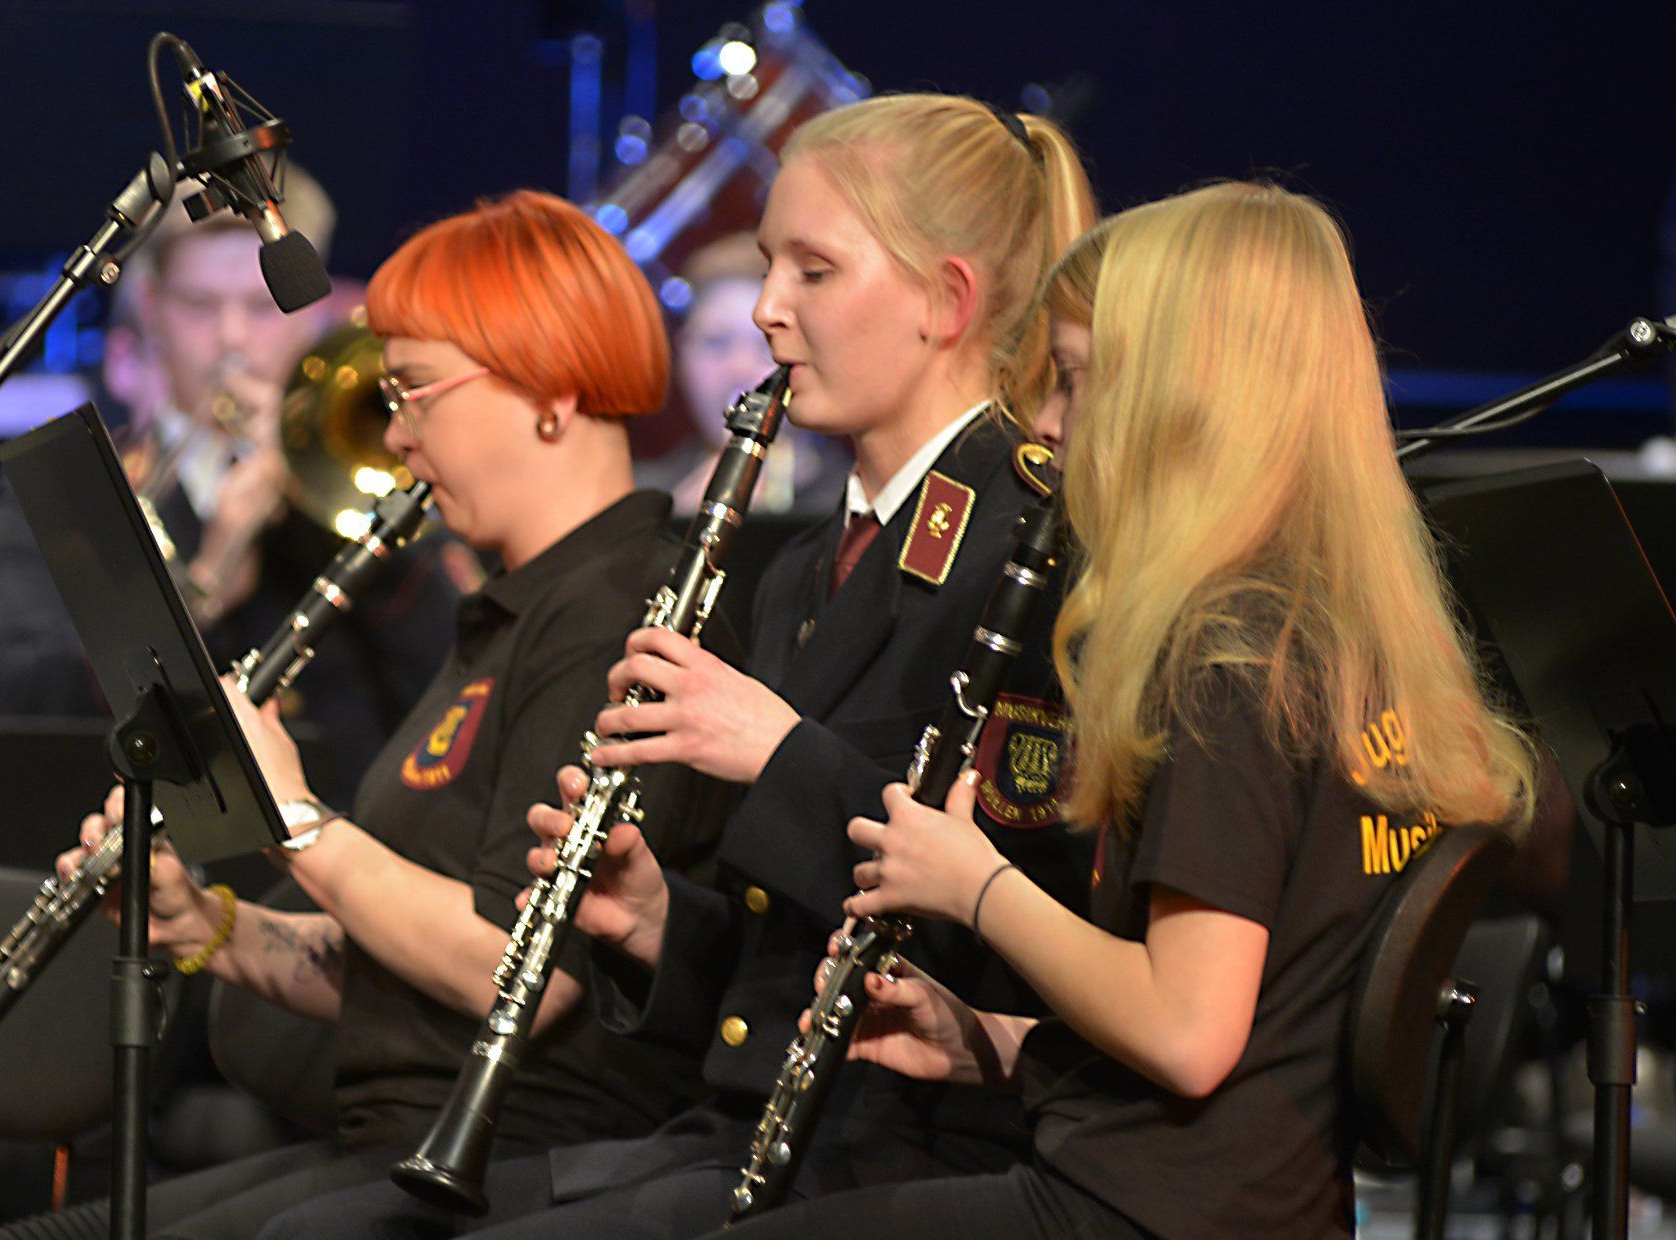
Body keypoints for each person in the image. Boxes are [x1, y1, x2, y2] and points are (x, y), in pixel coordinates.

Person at [262, 92, 1098, 1240]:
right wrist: (659, 918)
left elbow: (1018, 909)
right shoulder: (807, 563)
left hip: (914, 1143)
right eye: (768, 266)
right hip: (753, 1123)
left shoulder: (1032, 542)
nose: (764, 311)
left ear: (945, 302)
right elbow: (780, 956)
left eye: (813, 271)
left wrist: (774, 750)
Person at [712, 182, 1544, 1239]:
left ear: (1183, 393)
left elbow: (1190, 1030)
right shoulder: (1347, 633)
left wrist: (974, 883)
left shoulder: (1226, 654)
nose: (1050, 425)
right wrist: (996, 1040)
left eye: (1072, 380)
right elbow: (1257, 1041)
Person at [0, 190, 730, 1240]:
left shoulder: (617, 608)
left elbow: (510, 967)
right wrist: (217, 931)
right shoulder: (515, 608)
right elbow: (399, 965)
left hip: (521, 1162)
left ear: (551, 391)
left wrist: (291, 817)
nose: (395, 435)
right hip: (392, 1138)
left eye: (416, 391)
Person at [0, 165, 457, 803]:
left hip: (344, 847)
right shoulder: (75, 484)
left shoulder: (377, 470)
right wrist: (203, 589)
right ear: (151, 312)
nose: (233, 339)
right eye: (200, 307)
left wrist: (326, 511)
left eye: (262, 307)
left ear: (308, 313)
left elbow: (454, 689)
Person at [636, 231, 849, 514]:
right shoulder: (638, 501)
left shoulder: (854, 507)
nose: (739, 368)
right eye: (716, 343)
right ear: (682, 353)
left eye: (765, 345)